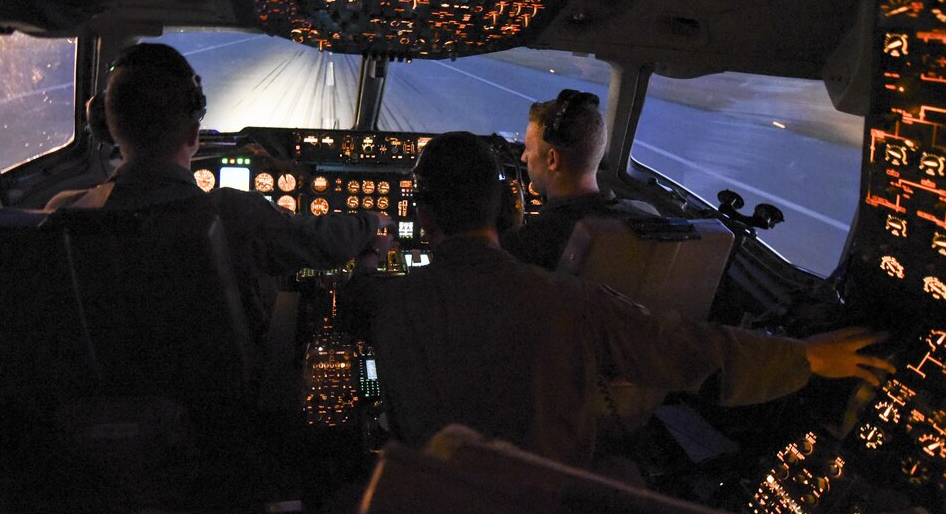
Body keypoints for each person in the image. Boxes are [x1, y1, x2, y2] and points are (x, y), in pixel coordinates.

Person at [345, 132, 893, 469]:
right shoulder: (571, 301)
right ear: (508, 210)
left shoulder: (385, 300)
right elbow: (683, 347)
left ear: (425, 215)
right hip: (541, 512)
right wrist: (805, 357)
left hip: (430, 503)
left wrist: (370, 258)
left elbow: (354, 305)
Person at [46, 42, 389, 337]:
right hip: (225, 398)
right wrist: (373, 221)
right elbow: (321, 241)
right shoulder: (232, 213)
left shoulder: (63, 213)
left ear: (108, 130)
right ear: (194, 134)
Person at [501, 88, 648, 270]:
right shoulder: (646, 220)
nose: (523, 158)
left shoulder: (526, 245)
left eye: (528, 149)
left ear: (553, 160)